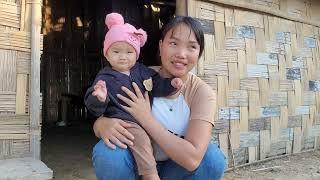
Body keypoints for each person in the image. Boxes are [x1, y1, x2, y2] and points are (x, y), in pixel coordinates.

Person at [92, 15, 226, 180]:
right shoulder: (138, 76)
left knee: (212, 159)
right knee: (108, 152)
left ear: (199, 53)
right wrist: (101, 124)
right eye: (173, 43)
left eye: (192, 47)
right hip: (135, 164)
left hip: (175, 168)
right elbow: (111, 108)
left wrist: (146, 119)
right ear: (161, 46)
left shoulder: (202, 93)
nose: (181, 54)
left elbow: (192, 159)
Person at [84, 13, 183, 180]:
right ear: (106, 54)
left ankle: (141, 171)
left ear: (136, 54)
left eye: (129, 51)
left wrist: (171, 86)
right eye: (116, 51)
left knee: (149, 143)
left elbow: (157, 84)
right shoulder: (104, 77)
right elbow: (94, 107)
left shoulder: (143, 71)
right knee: (141, 139)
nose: (123, 56)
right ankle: (150, 175)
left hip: (145, 120)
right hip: (124, 122)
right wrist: (99, 97)